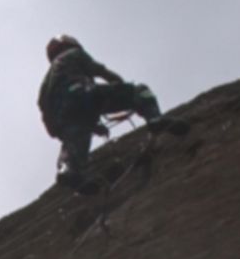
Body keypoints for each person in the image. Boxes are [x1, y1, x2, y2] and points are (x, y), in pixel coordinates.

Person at [38, 34, 190, 189]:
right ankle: (155, 119)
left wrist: (77, 127)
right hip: (83, 94)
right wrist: (121, 87)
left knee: (73, 143)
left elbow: (44, 110)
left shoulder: (46, 83)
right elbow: (105, 74)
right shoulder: (73, 54)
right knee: (140, 91)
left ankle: (69, 171)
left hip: (64, 116)